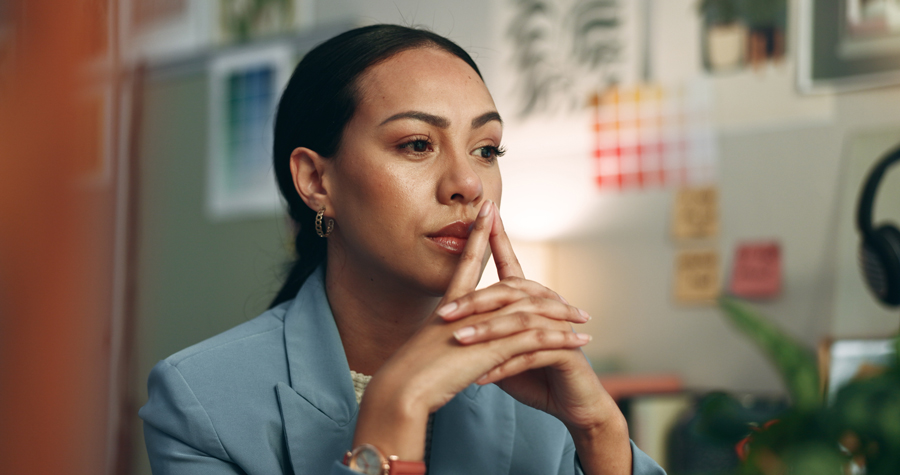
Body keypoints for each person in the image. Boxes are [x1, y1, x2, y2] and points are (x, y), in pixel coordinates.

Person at [139, 24, 666, 475]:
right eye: (417, 144)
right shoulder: (200, 399)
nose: (467, 183)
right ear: (316, 180)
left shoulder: (539, 376)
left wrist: (601, 433)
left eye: (486, 150)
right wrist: (395, 407)